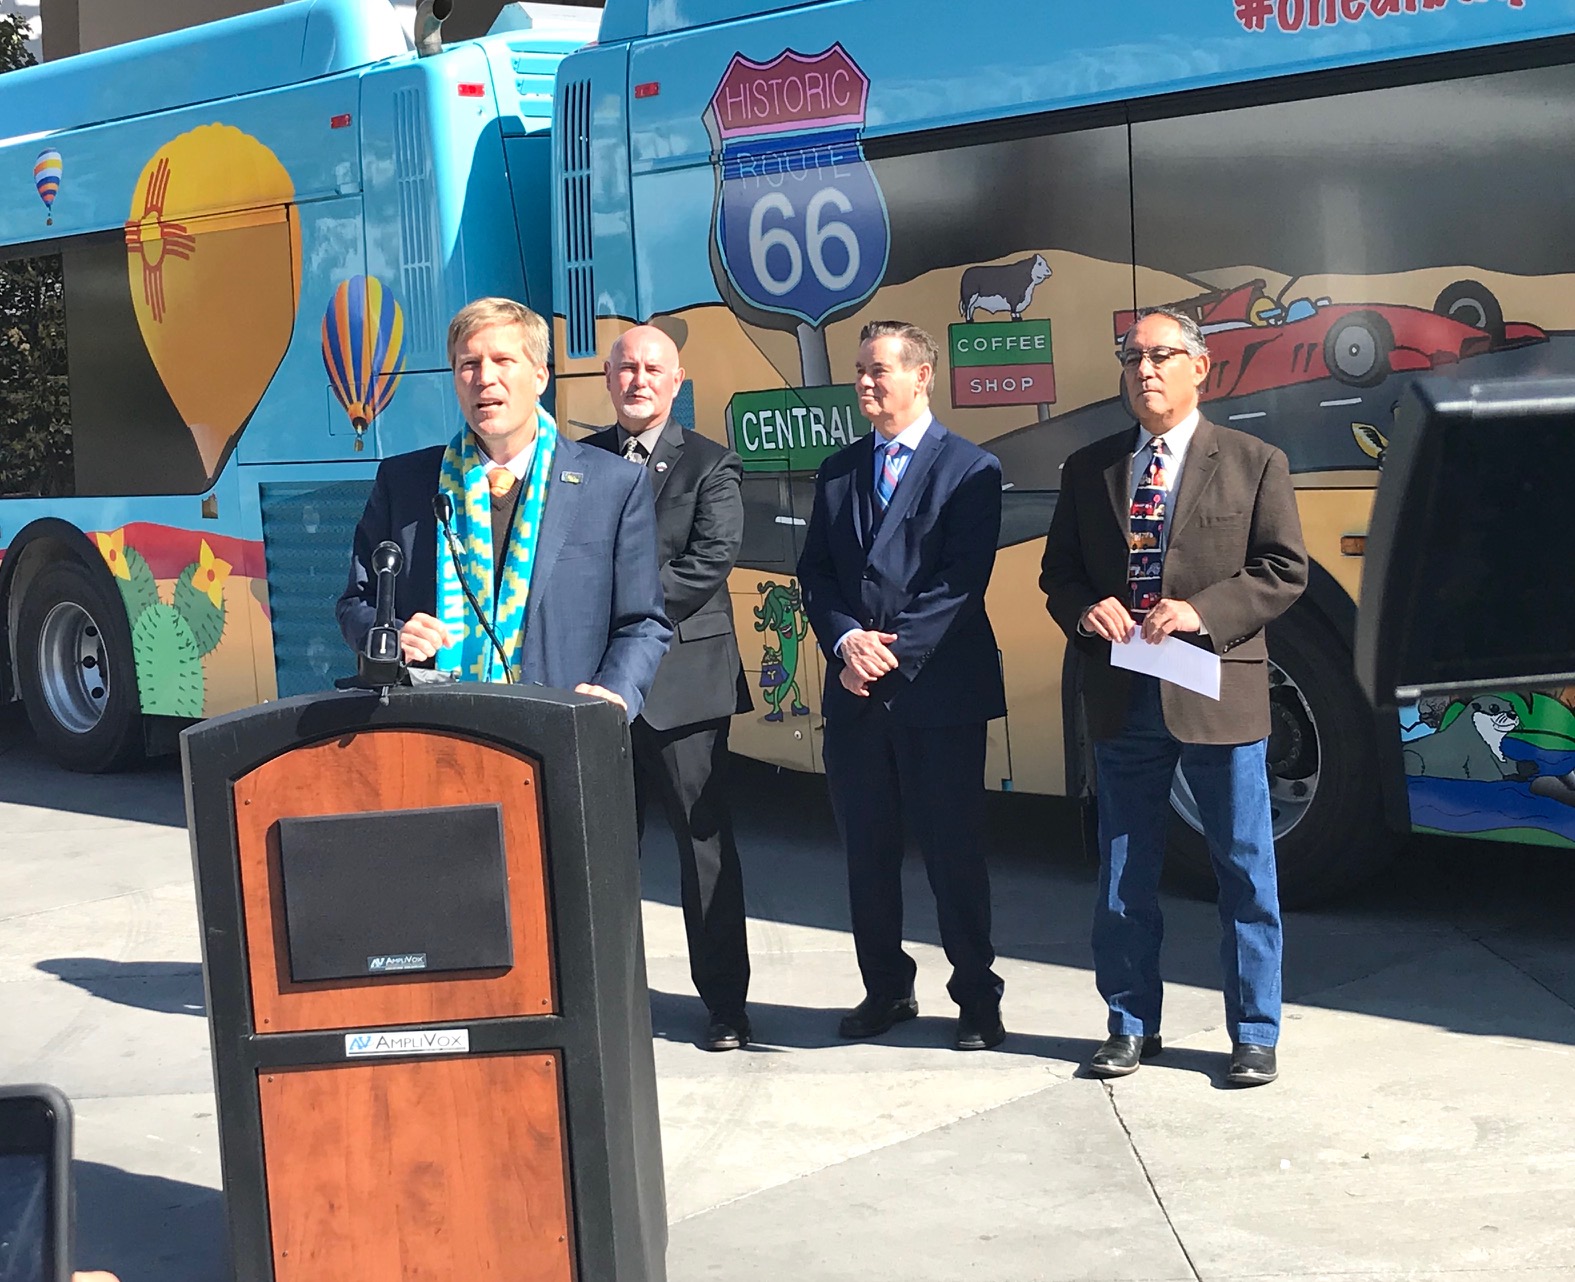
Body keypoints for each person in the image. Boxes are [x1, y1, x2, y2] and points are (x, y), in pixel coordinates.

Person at [1039, 306, 1308, 1086]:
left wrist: (1201, 612)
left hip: (1216, 691)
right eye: (1131, 358)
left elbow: (1282, 570)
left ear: (1200, 366)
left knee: (1243, 867)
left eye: (1159, 356)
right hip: (1123, 693)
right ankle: (1129, 1024)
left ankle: (1253, 1032)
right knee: (1123, 868)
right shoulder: (1089, 469)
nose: (1143, 370)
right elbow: (1059, 574)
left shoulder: (1253, 461)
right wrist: (1083, 609)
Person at [797, 320, 1008, 1052]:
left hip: (937, 695)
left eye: (878, 370)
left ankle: (976, 997)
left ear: (922, 376)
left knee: (953, 855)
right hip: (855, 695)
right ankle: (885, 988)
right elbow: (816, 572)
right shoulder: (838, 471)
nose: (863, 382)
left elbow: (960, 582)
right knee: (867, 852)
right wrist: (845, 642)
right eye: (859, 369)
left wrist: (889, 654)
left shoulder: (970, 468)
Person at [337, 298, 671, 718]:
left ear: (539, 376)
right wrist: (390, 635)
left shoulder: (613, 484)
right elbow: (356, 602)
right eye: (469, 364)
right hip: (432, 726)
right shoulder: (404, 483)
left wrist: (614, 692)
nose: (484, 378)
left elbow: (641, 623)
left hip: (558, 728)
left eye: (502, 361)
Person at [584, 325, 755, 1052]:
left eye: (654, 369)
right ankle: (604, 1003)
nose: (639, 380)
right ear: (607, 377)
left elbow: (709, 560)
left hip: (683, 689)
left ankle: (726, 1006)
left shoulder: (711, 463)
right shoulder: (577, 462)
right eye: (626, 368)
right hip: (595, 689)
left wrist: (621, 608)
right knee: (599, 854)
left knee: (703, 850)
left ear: (676, 381)